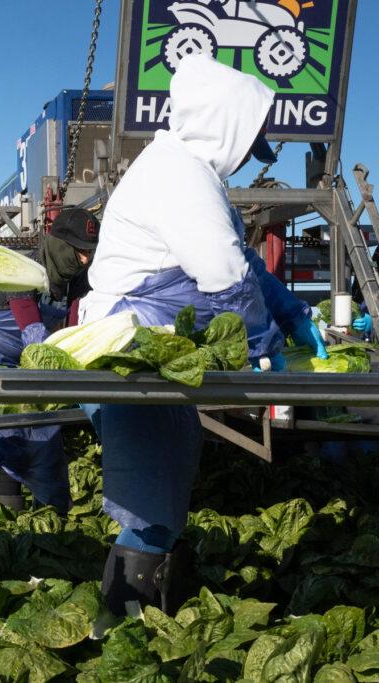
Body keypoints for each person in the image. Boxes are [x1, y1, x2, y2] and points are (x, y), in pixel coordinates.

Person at [79, 54, 327, 617]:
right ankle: (120, 626)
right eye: (247, 143)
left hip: (150, 355)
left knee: (162, 485)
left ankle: (151, 606)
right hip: (130, 354)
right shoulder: (178, 176)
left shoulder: (190, 173)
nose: (245, 161)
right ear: (225, 127)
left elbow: (243, 263)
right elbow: (227, 278)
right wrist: (265, 358)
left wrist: (290, 313)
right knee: (150, 497)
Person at [0, 208, 100, 512]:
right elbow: (26, 314)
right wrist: (40, 349)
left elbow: (74, 319)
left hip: (29, 364)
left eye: (89, 253)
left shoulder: (77, 278)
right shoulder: (27, 265)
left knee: (43, 436)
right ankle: (3, 515)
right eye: (79, 252)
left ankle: (48, 517)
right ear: (60, 244)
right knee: (11, 435)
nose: (84, 260)